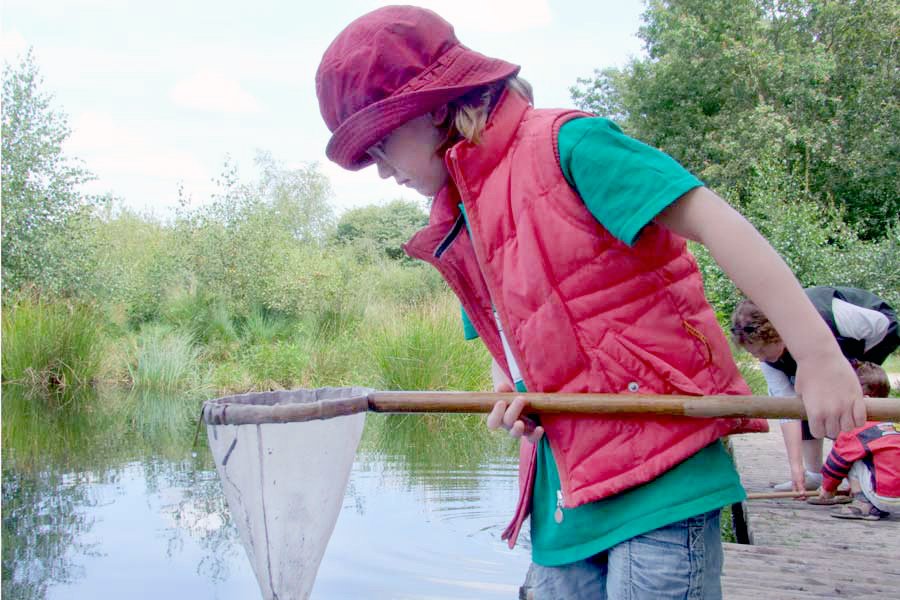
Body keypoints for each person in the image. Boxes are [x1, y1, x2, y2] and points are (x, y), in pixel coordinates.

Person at [315, 6, 865, 598]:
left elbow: (720, 223)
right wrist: (514, 393)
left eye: (381, 144)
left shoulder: (568, 144)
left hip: (663, 475)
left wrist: (819, 357)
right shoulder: (458, 218)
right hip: (565, 501)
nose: (380, 171)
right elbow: (512, 348)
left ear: (436, 106)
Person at [731, 287, 899, 493]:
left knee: (845, 401)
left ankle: (863, 473)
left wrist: (856, 367)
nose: (760, 358)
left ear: (778, 337)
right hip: (819, 350)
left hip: (874, 334)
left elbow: (881, 325)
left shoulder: (829, 316)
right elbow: (787, 411)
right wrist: (795, 469)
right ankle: (813, 474)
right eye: (753, 354)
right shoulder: (769, 361)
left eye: (762, 351)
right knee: (806, 397)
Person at [809, 362, 898, 521]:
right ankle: (869, 494)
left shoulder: (856, 429)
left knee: (850, 457)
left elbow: (835, 464)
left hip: (887, 497)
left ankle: (864, 504)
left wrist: (828, 490)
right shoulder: (894, 422)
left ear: (863, 399)